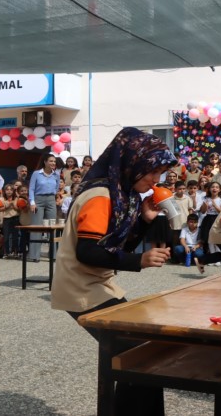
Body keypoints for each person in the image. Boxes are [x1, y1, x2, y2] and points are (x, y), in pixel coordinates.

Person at [51, 127, 175, 415]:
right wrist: (139, 261)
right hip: (81, 288)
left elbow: (117, 246)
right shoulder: (101, 196)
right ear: (134, 163)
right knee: (141, 354)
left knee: (140, 354)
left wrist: (144, 221)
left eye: (160, 173)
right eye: (153, 172)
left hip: (98, 284)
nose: (157, 180)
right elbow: (88, 252)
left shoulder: (122, 193)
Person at [27, 154, 60, 262]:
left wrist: (54, 197)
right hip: (38, 200)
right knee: (36, 227)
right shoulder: (37, 173)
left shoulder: (56, 174)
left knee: (52, 227)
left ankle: (53, 255)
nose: (53, 163)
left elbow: (57, 187)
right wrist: (32, 202)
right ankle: (34, 255)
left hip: (51, 200)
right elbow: (31, 189)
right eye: (51, 161)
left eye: (54, 161)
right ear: (45, 162)